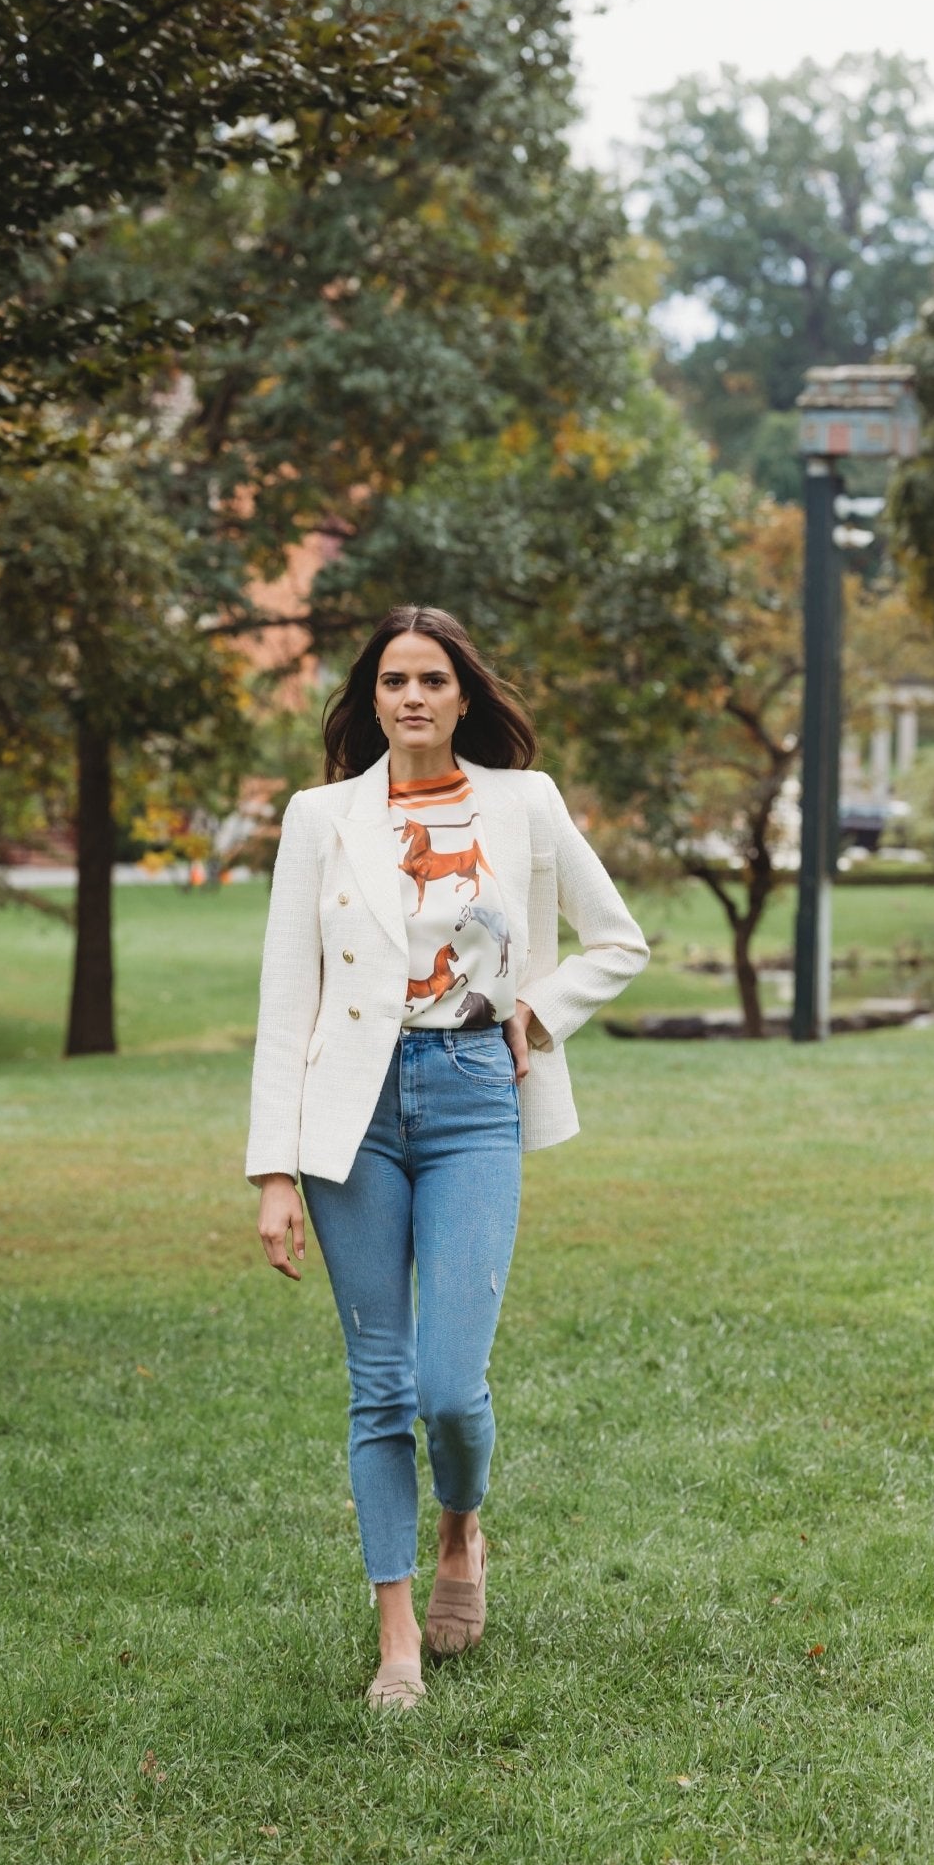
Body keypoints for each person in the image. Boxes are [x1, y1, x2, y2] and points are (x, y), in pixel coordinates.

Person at [245, 606, 649, 1710]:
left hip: (476, 1097)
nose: (412, 696)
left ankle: (462, 1528)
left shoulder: (523, 802)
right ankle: (398, 1637)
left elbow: (620, 937)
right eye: (392, 680)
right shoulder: (320, 817)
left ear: (464, 694)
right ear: (370, 699)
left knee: (448, 1388)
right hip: (350, 1115)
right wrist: (272, 1168)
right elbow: (290, 999)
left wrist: (537, 1011)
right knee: (380, 1387)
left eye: (432, 678)